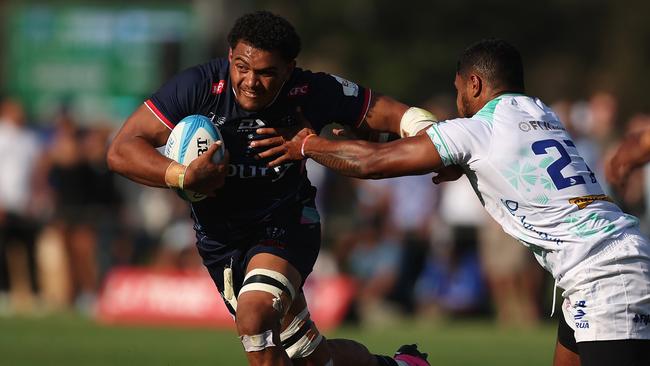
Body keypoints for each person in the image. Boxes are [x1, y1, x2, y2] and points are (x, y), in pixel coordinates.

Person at [255, 39, 650, 366]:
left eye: (459, 89)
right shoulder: (540, 112)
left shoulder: (478, 130)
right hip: (609, 261)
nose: (459, 98)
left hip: (605, 279)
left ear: (474, 84)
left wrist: (307, 144)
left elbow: (373, 164)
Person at [107, 10, 431, 366]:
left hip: (286, 224)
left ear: (289, 69)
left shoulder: (311, 91)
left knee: (254, 317)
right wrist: (181, 175)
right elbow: (122, 149)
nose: (250, 82)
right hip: (220, 242)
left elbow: (404, 118)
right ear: (230, 56)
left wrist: (440, 145)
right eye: (242, 67)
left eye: (266, 73)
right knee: (312, 358)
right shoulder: (198, 86)